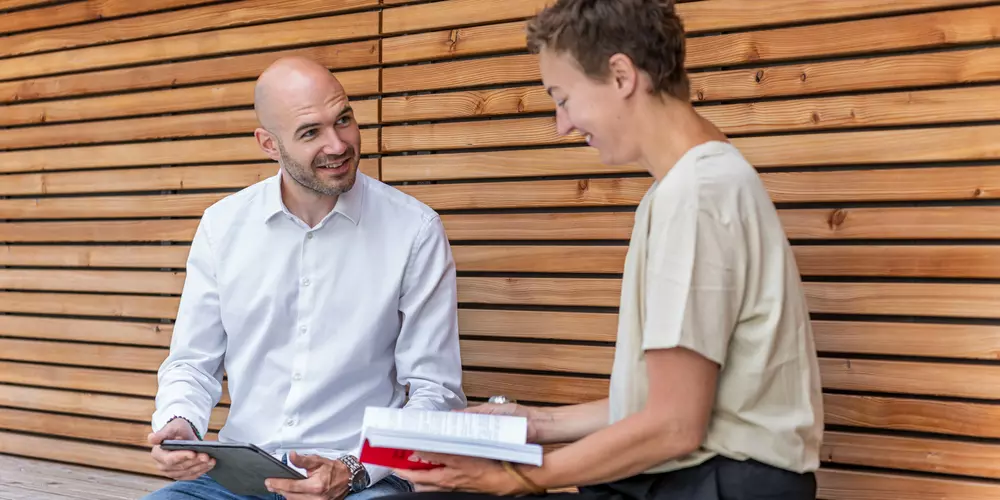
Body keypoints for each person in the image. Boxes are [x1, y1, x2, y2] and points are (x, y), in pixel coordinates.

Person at [377, 1, 824, 499]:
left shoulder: (697, 194)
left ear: (620, 75)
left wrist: (517, 477)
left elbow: (675, 425)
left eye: (563, 98)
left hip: (718, 483)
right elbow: (673, 404)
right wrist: (536, 422)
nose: (561, 124)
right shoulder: (694, 184)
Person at [143, 56, 467, 500]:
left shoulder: (415, 230)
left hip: (362, 483)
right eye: (311, 132)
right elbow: (192, 363)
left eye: (344, 120)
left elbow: (436, 393)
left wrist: (355, 469)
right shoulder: (222, 227)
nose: (338, 145)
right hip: (239, 478)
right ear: (268, 144)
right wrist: (178, 423)